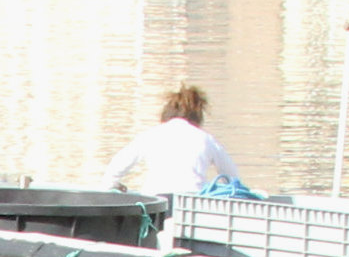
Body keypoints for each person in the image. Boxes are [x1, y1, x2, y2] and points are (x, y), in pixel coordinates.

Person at [106, 84, 249, 196]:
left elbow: (116, 168)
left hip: (157, 202)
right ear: (197, 117)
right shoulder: (205, 139)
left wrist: (111, 188)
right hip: (192, 204)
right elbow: (233, 178)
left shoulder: (151, 135)